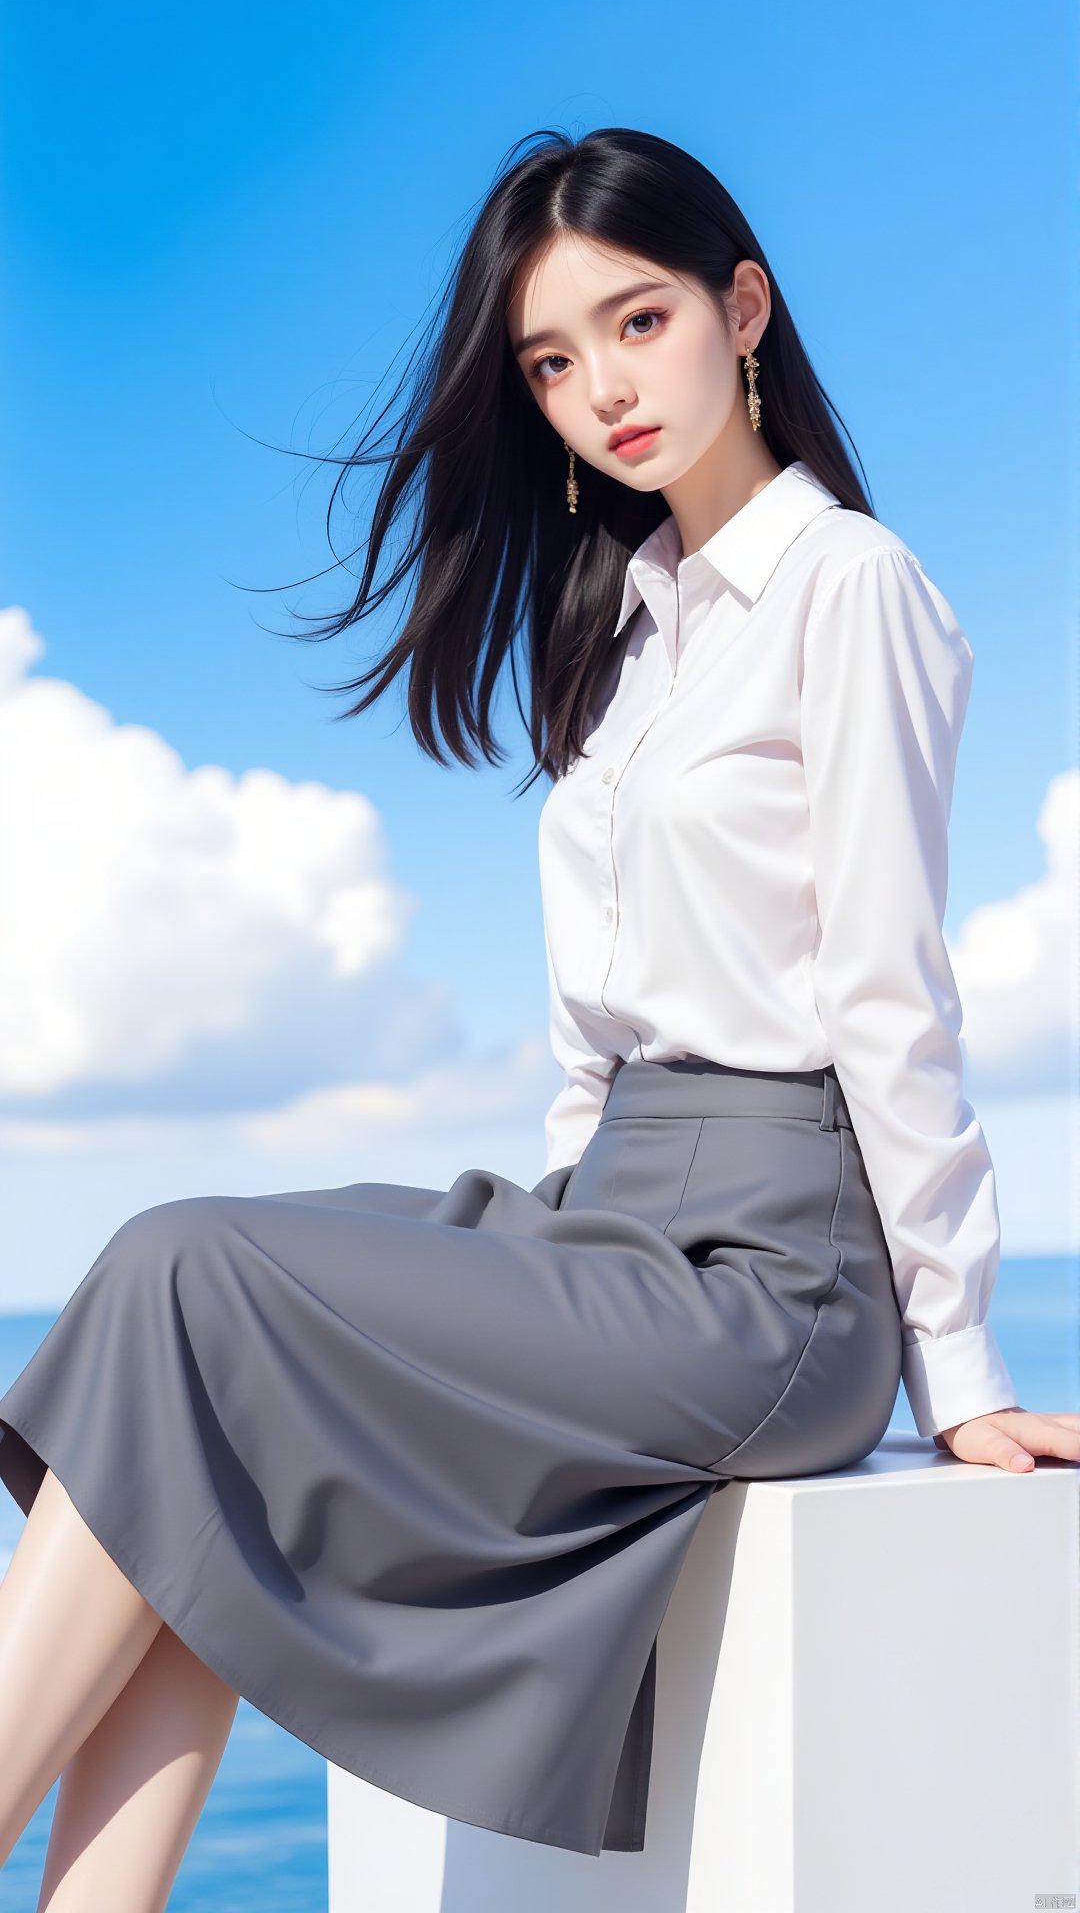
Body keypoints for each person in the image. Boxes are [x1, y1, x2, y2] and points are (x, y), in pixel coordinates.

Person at [0, 125, 1075, 1902]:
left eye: (637, 324)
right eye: (554, 364)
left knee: (190, 1262)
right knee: (182, 1344)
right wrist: (533, 1274)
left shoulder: (850, 589)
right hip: (614, 1231)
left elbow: (892, 992)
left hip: (775, 1282)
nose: (601, 393)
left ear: (745, 307)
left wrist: (962, 1374)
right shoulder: (631, 637)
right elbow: (592, 1040)